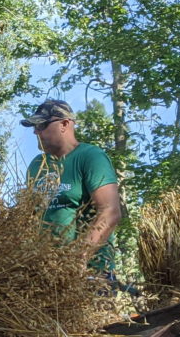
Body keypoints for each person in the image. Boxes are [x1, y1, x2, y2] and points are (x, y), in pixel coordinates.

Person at [22, 100, 122, 276]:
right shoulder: (37, 166)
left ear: (64, 124)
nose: (35, 132)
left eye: (42, 125)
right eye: (34, 127)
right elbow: (29, 217)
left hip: (90, 273)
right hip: (46, 273)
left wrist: (78, 258)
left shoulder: (90, 157)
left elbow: (110, 212)